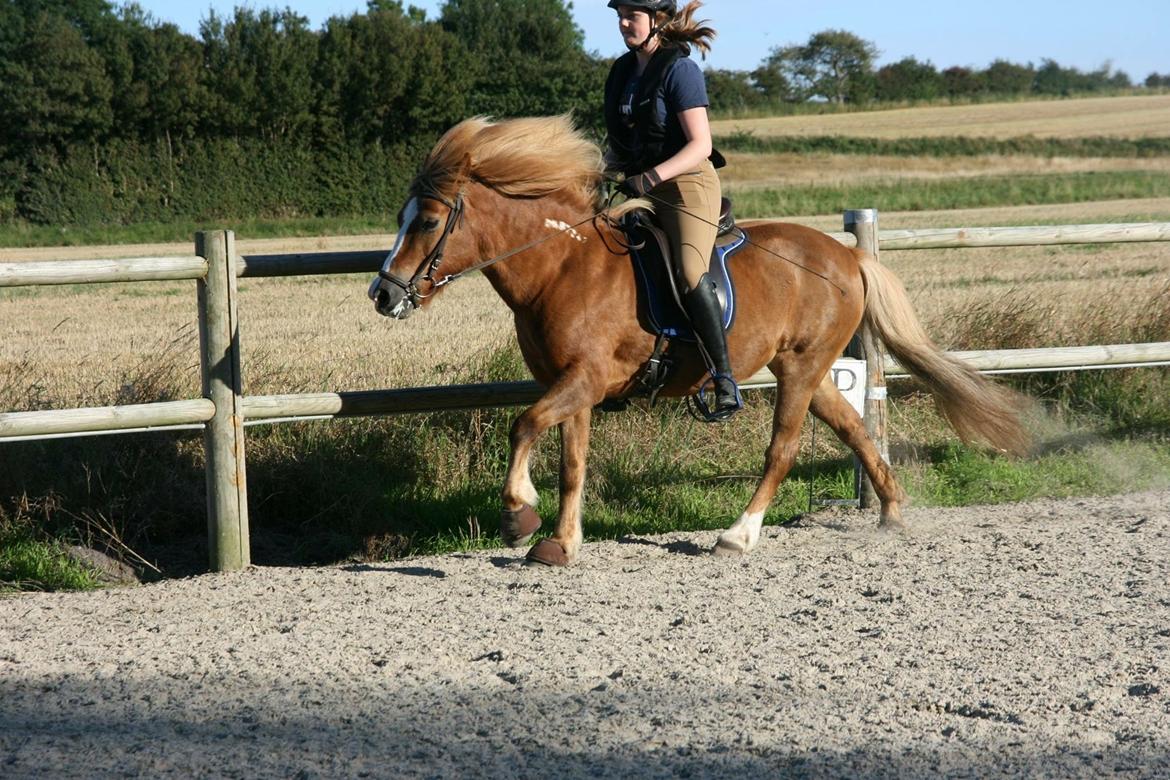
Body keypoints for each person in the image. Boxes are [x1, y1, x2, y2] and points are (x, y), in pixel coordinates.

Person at [604, 0, 741, 421]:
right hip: (640, 185)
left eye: (632, 15)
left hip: (686, 187)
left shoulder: (680, 70)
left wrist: (649, 178)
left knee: (688, 271)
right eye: (620, 16)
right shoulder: (622, 72)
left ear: (657, 20)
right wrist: (598, 170)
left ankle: (723, 377)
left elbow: (700, 144)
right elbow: (621, 140)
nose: (624, 23)